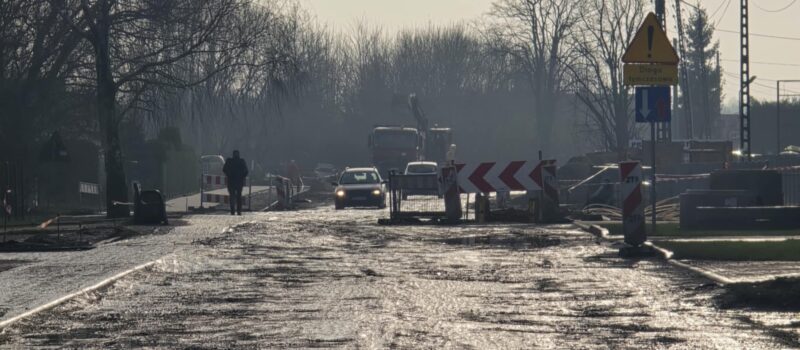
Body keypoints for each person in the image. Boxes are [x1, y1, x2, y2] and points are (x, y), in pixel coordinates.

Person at [223, 150, 249, 215]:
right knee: (238, 197)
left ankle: (233, 210)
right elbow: (246, 171)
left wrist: (229, 174)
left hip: (231, 181)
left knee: (232, 196)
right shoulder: (241, 161)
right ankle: (239, 210)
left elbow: (224, 169)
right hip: (239, 182)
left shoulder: (229, 161)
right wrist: (242, 177)